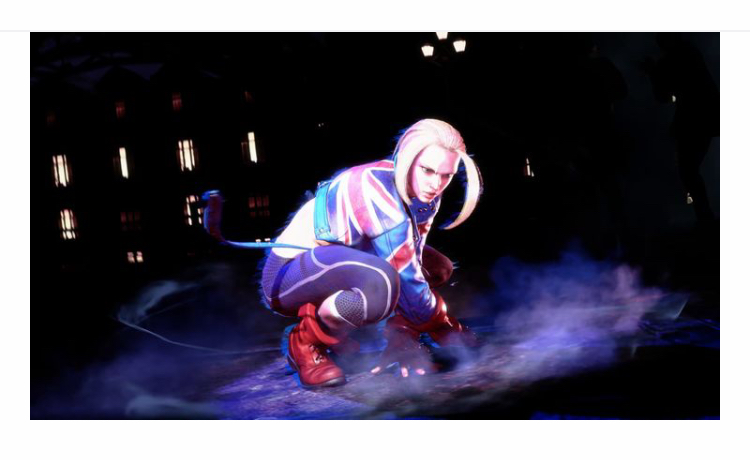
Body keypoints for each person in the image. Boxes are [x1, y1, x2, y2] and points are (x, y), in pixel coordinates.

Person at [204, 119, 482, 388]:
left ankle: (401, 333)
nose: (436, 183)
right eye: (428, 171)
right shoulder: (378, 190)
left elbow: (414, 257)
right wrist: (444, 326)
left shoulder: (425, 194)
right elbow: (404, 275)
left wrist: (405, 330)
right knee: (382, 281)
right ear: (408, 160)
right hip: (287, 275)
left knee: (437, 268)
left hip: (346, 263)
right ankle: (304, 341)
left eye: (446, 175)